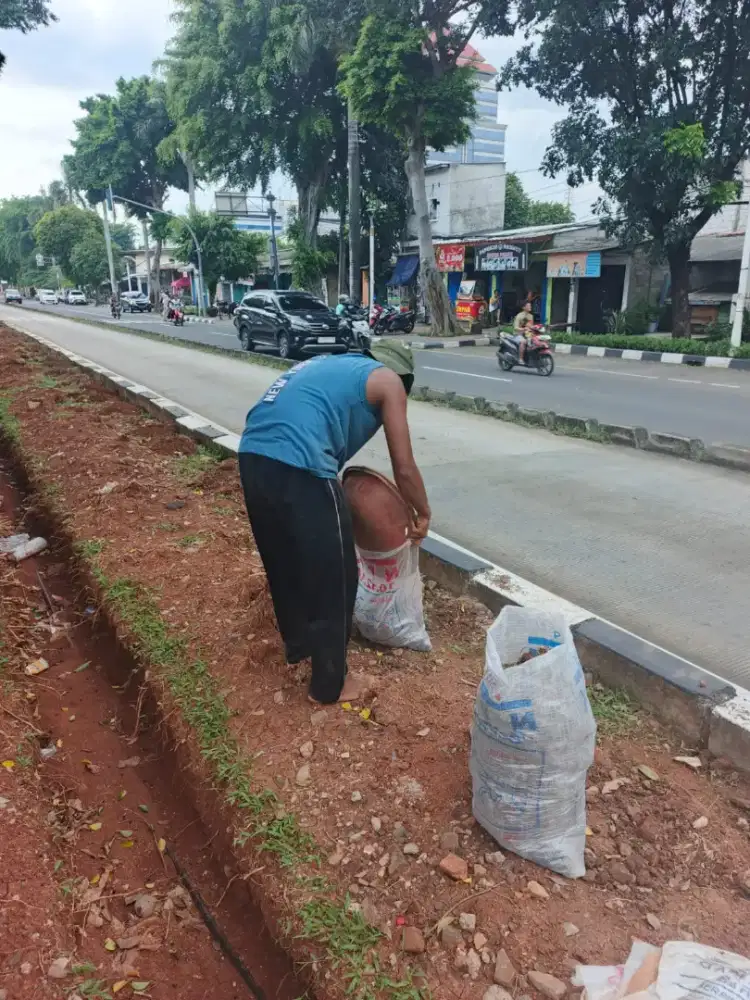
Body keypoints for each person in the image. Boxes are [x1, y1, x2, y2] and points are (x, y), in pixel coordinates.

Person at [238, 342, 431, 706]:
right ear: (405, 378)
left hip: (252, 454)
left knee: (285, 560)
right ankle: (330, 686)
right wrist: (423, 510)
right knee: (336, 576)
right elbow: (403, 467)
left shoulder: (334, 363)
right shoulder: (389, 381)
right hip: (302, 464)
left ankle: (300, 647)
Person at [513, 301, 534, 365]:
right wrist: (523, 329)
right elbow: (515, 328)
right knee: (523, 342)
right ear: (524, 307)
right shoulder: (519, 316)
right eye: (528, 306)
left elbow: (531, 326)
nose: (530, 307)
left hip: (528, 334)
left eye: (530, 306)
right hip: (518, 334)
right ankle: (521, 359)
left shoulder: (531, 316)